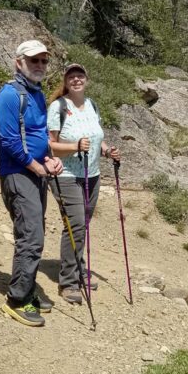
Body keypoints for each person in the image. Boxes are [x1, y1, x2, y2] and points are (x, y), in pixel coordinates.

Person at [0, 40, 64, 327]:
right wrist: (35, 165)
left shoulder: (35, 95)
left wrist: (48, 158)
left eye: (43, 61)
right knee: (31, 236)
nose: (39, 66)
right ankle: (18, 300)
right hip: (18, 174)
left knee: (34, 234)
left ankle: (28, 289)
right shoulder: (10, 95)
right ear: (18, 62)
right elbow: (8, 140)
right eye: (33, 60)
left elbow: (38, 136)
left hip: (36, 174)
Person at [48, 62, 120, 305]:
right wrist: (74, 147)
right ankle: (68, 281)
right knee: (75, 225)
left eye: (80, 76)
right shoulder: (58, 107)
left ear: (86, 79)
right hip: (66, 174)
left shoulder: (92, 105)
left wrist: (108, 151)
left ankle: (78, 269)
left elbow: (96, 138)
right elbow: (50, 146)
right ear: (66, 81)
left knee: (83, 225)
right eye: (71, 77)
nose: (76, 80)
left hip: (93, 174)